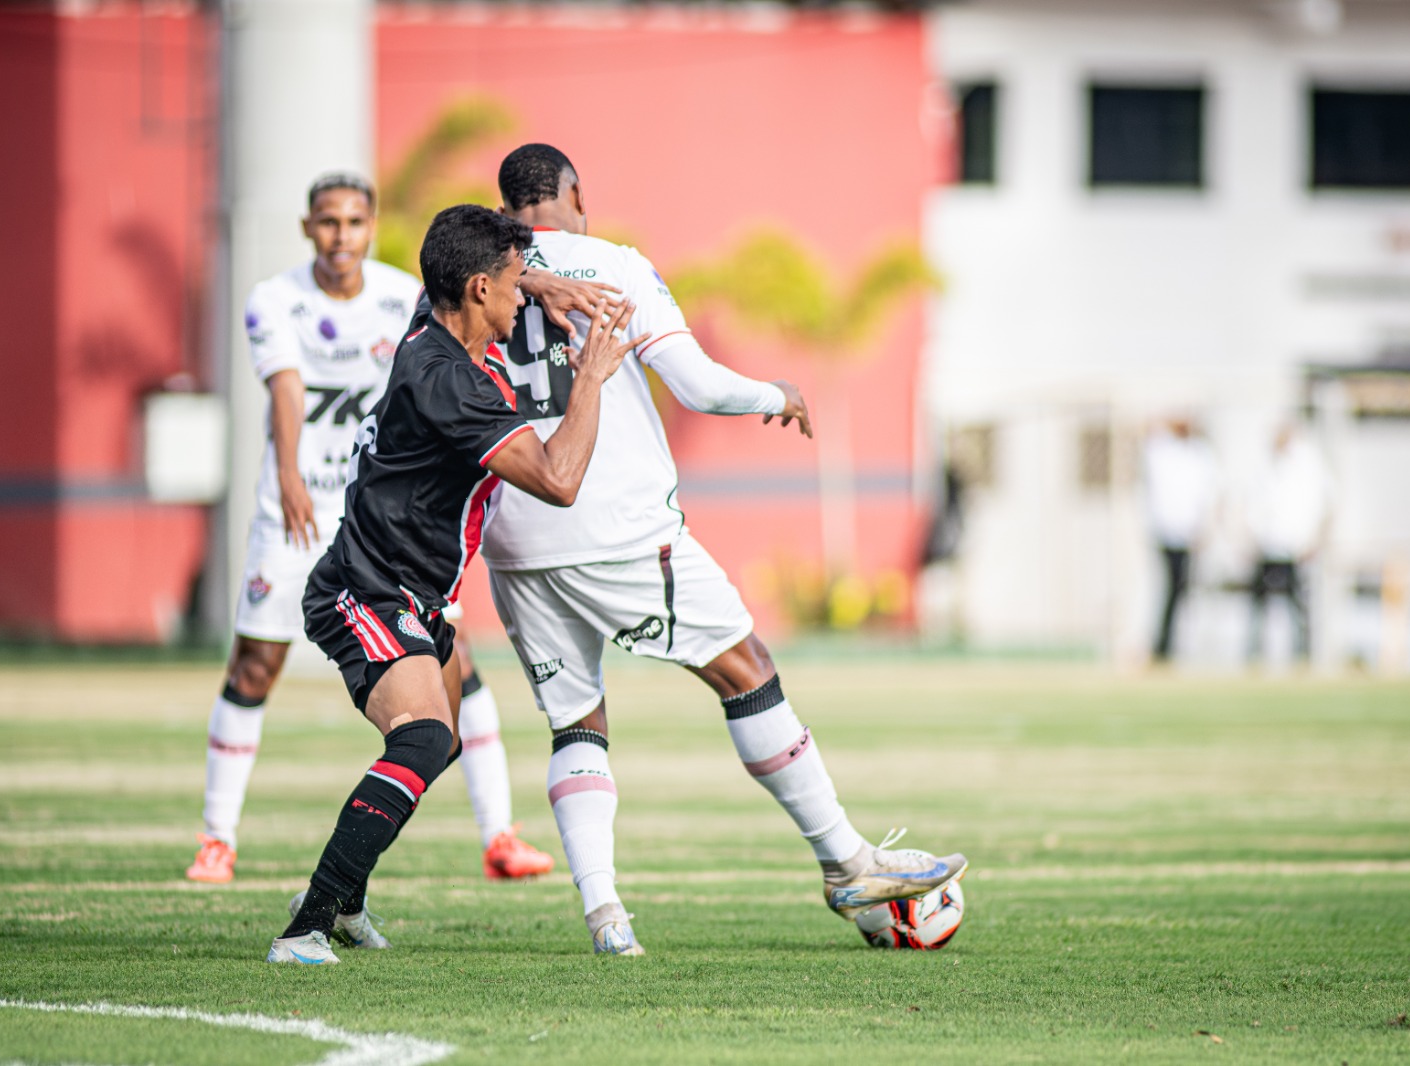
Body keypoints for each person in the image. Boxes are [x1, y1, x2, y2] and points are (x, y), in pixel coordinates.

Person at [481, 143, 967, 956]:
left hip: (514, 534)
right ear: (574, 193)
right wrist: (778, 393)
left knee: (577, 722)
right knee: (746, 668)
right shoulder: (613, 265)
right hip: (620, 528)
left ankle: (606, 917)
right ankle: (846, 861)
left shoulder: (472, 272)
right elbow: (698, 386)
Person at [268, 204, 647, 964]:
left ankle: (346, 901)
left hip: (418, 595)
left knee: (438, 748)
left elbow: (465, 255)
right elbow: (559, 479)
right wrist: (593, 378)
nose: (522, 302)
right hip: (366, 589)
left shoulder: (433, 320)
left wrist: (543, 281)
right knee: (426, 736)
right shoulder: (448, 383)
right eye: (513, 288)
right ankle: (307, 925)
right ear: (478, 290)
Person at [187, 173, 563, 888]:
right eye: (327, 222)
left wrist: (547, 285)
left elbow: (480, 299)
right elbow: (288, 388)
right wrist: (291, 474)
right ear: (308, 229)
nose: (341, 237)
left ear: (371, 226)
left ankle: (500, 835)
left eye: (354, 222)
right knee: (255, 667)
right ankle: (219, 839)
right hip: (303, 504)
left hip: (398, 509)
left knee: (456, 676)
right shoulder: (275, 298)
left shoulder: (403, 297)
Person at [1244, 423, 1329, 663]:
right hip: (1267, 546)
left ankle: (1302, 654)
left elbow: (1324, 504)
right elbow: (1252, 505)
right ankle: (1253, 654)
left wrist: (1315, 540)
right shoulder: (1265, 465)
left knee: (1298, 607)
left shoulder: (1309, 464)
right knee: (1259, 606)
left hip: (1296, 547)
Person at [1144, 417, 1218, 663]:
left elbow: (1210, 493)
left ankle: (1180, 645)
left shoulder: (1200, 453)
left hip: (1190, 535)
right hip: (1166, 532)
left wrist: (1206, 529)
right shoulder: (1161, 450)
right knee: (1171, 589)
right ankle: (1164, 646)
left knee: (1185, 592)